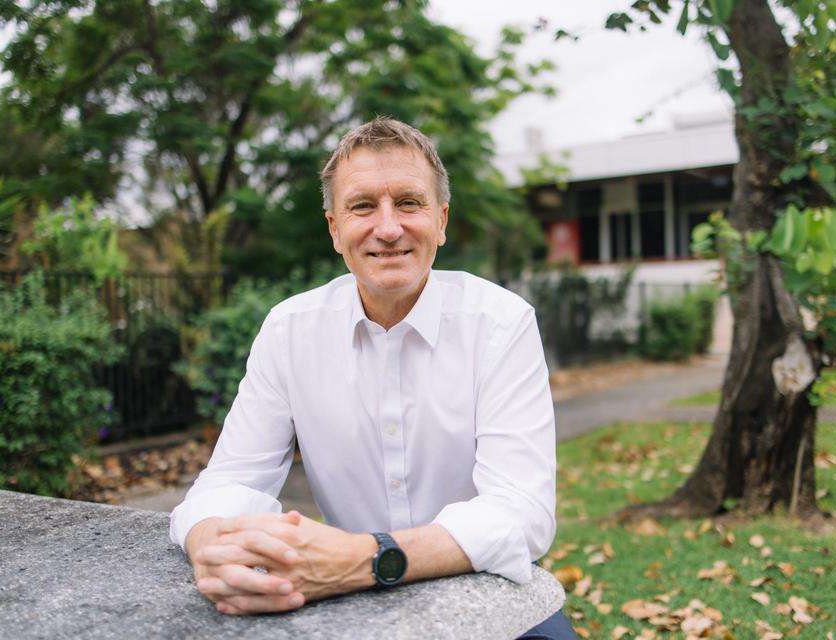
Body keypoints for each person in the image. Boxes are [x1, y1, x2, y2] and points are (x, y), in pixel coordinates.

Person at [170, 117, 575, 639]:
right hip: (347, 600)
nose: (388, 228)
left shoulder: (501, 323)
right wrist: (212, 545)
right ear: (335, 228)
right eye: (363, 206)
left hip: (485, 589)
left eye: (409, 203)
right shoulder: (289, 330)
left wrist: (366, 557)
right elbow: (227, 483)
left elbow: (523, 513)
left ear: (442, 220)